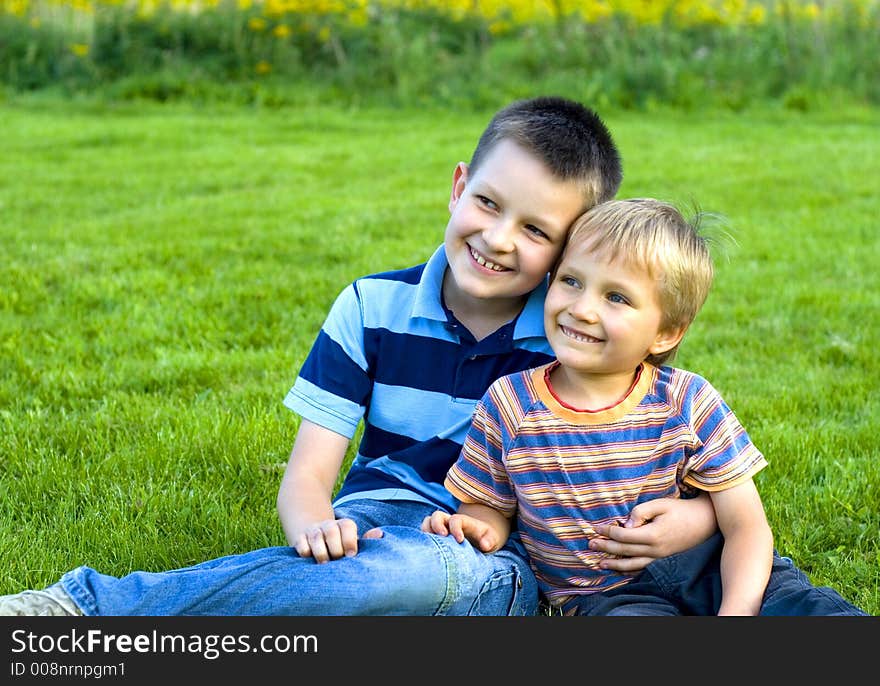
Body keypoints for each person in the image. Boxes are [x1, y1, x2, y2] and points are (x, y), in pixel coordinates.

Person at [1, 97, 719, 617]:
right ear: (458, 185)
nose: (500, 240)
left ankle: (93, 608)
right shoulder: (371, 307)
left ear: (569, 249)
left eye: (536, 229)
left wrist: (697, 519)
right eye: (490, 204)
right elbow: (309, 473)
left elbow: (668, 450)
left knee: (385, 582)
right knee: (351, 576)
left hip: (488, 555)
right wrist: (316, 525)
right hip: (373, 520)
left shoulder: (571, 335)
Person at [422, 198, 867, 616]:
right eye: (571, 281)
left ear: (666, 333)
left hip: (710, 565)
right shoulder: (510, 404)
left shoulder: (687, 400)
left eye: (616, 298)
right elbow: (490, 507)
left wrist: (737, 612)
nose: (583, 309)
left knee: (805, 608)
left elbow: (746, 527)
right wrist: (478, 529)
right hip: (607, 596)